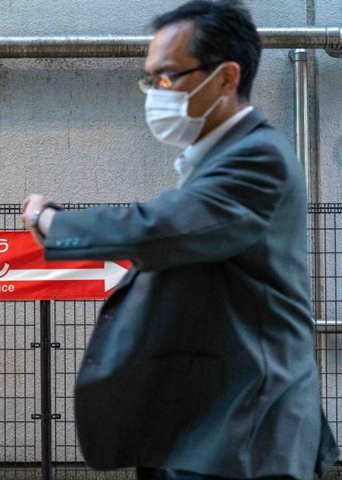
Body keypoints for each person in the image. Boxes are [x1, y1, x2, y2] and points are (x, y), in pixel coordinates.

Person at [20, 1, 338, 479]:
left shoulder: (257, 158)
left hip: (245, 431)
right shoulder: (219, 159)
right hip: (212, 423)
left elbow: (160, 230)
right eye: (149, 79)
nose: (155, 93)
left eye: (167, 77)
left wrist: (52, 222)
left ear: (226, 78)